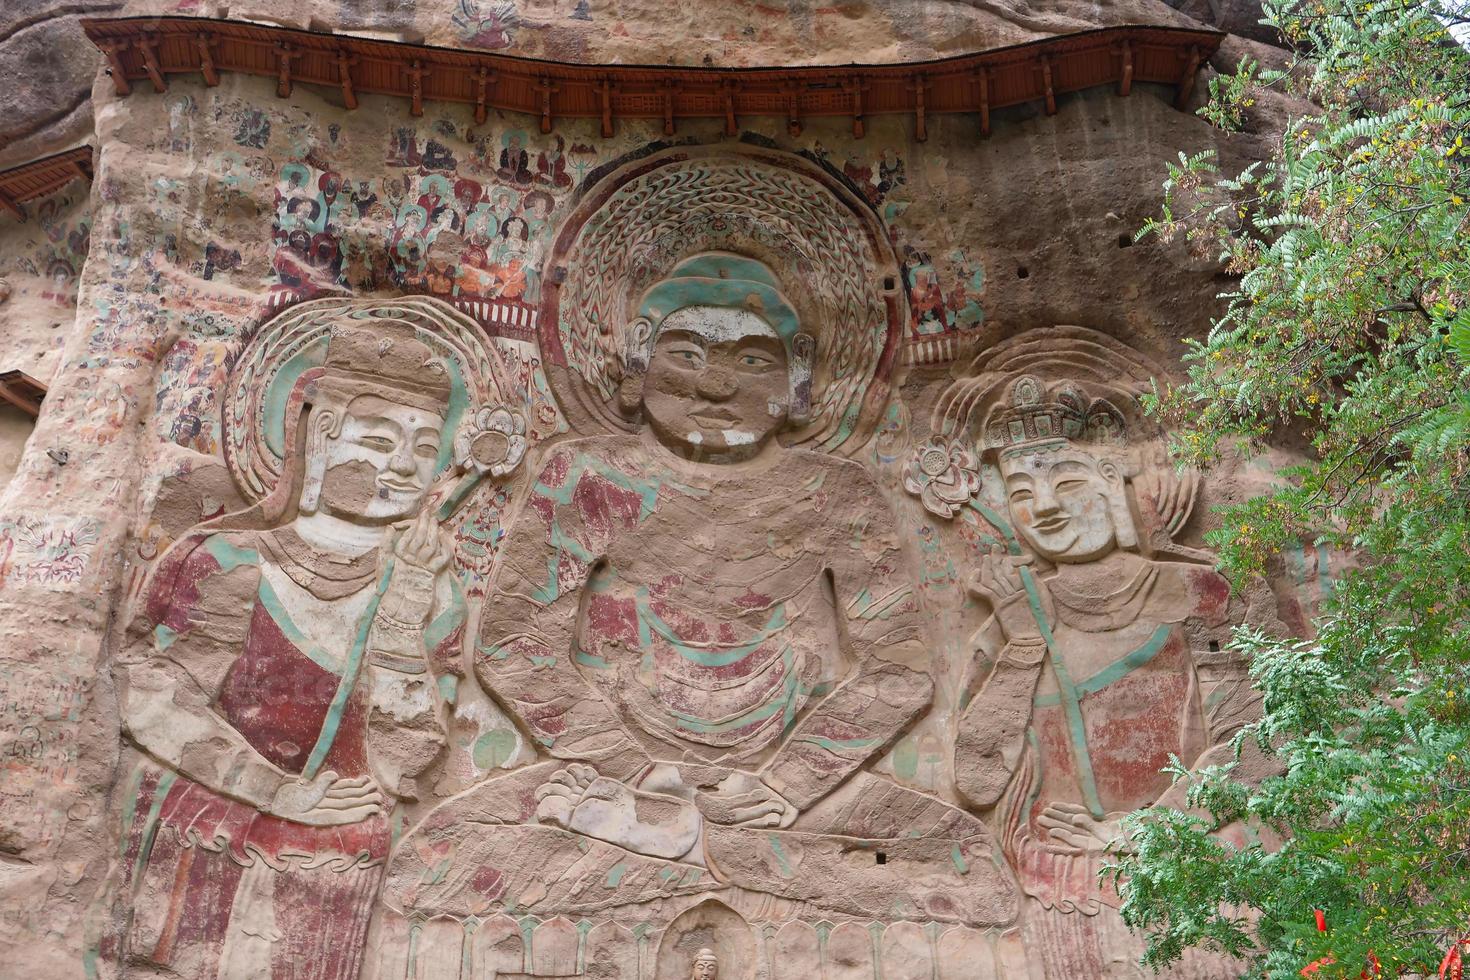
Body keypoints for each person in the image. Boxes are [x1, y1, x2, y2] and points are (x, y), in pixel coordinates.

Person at [382, 254, 1015, 929]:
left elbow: (895, 675)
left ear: (797, 378)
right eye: (687, 352)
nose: (715, 384)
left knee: (966, 863)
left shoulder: (837, 492)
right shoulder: (587, 473)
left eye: (749, 362)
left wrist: (784, 785)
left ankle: (682, 845)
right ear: (638, 367)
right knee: (436, 859)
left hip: (780, 797)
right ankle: (696, 843)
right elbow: (515, 647)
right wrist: (640, 772)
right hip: (621, 781)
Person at [115, 320, 466, 980]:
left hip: (339, 866)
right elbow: (151, 695)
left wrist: (398, 616)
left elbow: (406, 764)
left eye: (425, 447)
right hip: (214, 840)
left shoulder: (428, 591)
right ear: (321, 431)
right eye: (381, 439)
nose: (402, 465)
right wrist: (275, 791)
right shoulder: (227, 559)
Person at [954, 374, 1246, 977]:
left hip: (1192, 860)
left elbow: (1255, 746)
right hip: (1057, 882)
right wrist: (1024, 645)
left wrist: (1144, 831)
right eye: (1021, 492)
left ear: (1115, 483)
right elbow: (976, 782)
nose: (1046, 508)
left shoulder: (1201, 593)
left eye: (1067, 481)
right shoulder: (1014, 620)